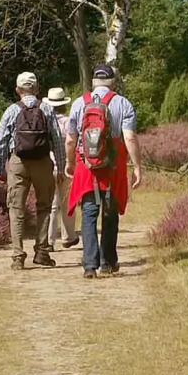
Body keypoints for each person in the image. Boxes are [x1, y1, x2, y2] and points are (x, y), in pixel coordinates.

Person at [65, 66, 142, 279]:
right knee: (110, 212)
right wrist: (137, 166)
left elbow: (71, 139)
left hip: (87, 164)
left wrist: (70, 163)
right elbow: (129, 137)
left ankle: (90, 265)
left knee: (89, 213)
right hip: (113, 165)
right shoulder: (123, 103)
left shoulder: (80, 103)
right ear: (113, 82)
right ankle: (108, 262)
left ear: (93, 82)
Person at [0, 71, 58, 270]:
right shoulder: (47, 109)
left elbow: (0, 142)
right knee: (45, 206)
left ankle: (17, 257)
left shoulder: (11, 110)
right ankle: (42, 252)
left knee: (16, 209)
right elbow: (57, 140)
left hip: (18, 162)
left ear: (17, 90)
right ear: (38, 89)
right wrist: (62, 166)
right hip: (42, 162)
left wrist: (0, 168)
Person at [42, 86, 81, 250]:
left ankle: (49, 241)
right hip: (67, 165)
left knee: (51, 204)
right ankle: (68, 236)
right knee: (67, 202)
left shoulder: (44, 121)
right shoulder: (68, 122)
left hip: (48, 165)